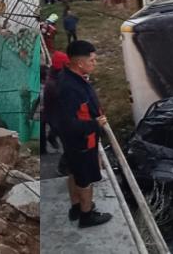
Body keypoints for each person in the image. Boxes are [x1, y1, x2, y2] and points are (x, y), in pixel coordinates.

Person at [58, 40, 112, 228]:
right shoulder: (70, 89)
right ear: (80, 63)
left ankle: (76, 206)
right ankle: (87, 215)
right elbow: (70, 123)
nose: (94, 64)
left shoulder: (71, 78)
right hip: (82, 141)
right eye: (92, 61)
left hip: (74, 142)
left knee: (73, 172)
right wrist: (95, 124)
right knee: (85, 179)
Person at [41, 51, 69, 155]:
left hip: (51, 111)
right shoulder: (52, 84)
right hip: (52, 111)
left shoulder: (54, 77)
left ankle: (49, 140)